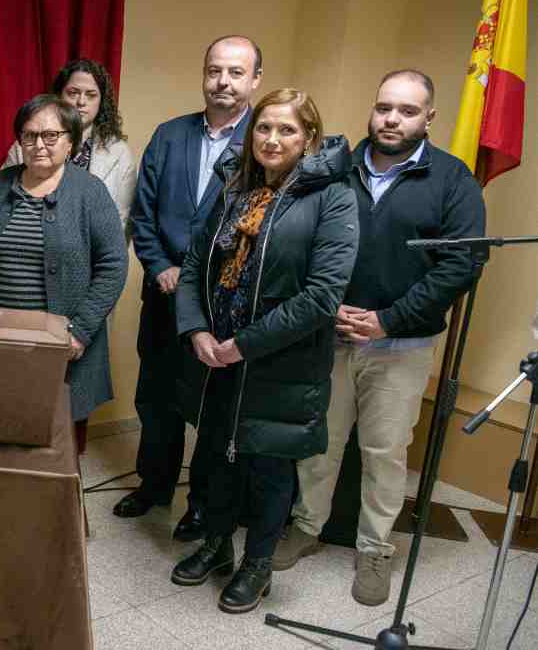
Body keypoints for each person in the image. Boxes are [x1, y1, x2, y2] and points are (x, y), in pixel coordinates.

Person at [272, 70, 486, 606]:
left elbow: (460, 265)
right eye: (384, 107)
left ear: (429, 118)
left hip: (400, 346)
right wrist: (323, 303)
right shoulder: (334, 168)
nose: (392, 119)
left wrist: (388, 319)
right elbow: (300, 238)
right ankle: (306, 527)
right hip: (329, 338)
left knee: (384, 453)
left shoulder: (454, 180)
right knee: (320, 443)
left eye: (407, 111)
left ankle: (374, 549)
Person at [170, 88, 358, 614]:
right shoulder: (235, 187)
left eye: (287, 130)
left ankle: (257, 564)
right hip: (218, 355)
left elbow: (323, 295)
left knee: (270, 469)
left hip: (282, 361)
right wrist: (197, 330)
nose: (272, 139)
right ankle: (216, 545)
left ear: (310, 139)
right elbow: (193, 267)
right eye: (264, 128)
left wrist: (244, 346)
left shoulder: (334, 196)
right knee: (220, 459)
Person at [116, 36, 263, 544]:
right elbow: (144, 212)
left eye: (236, 73)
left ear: (254, 81)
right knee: (155, 399)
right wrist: (159, 266)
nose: (224, 81)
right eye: (215, 70)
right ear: (204, 74)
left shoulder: (264, 142)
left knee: (209, 411)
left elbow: (260, 225)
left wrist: (201, 278)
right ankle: (153, 486)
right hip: (161, 295)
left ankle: (201, 505)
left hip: (221, 306)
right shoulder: (169, 135)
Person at [0, 94, 126, 454]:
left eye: (50, 135)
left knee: (56, 450)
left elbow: (114, 265)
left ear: (70, 141)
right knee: (0, 437)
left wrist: (79, 332)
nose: (39, 145)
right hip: (1, 343)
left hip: (63, 348)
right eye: (29, 135)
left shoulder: (90, 192)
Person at [3, 58, 137, 232]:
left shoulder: (119, 154)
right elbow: (2, 205)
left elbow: (121, 222)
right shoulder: (25, 146)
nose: (81, 102)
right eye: (73, 93)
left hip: (90, 254)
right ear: (59, 96)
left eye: (91, 95)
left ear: (101, 101)